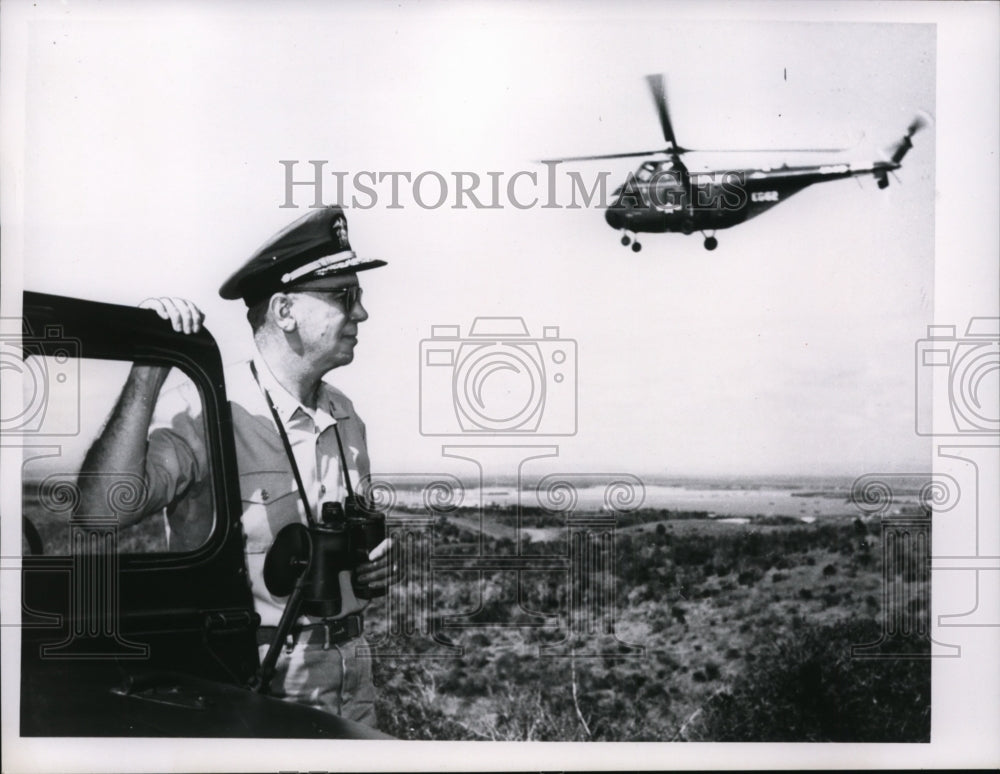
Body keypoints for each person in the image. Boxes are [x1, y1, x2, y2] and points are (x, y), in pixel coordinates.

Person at [77, 205, 390, 726]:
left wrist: (372, 569)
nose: (361, 314)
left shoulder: (344, 415)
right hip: (250, 676)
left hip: (351, 673)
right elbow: (98, 513)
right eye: (345, 296)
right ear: (285, 311)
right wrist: (150, 366)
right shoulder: (208, 413)